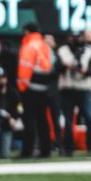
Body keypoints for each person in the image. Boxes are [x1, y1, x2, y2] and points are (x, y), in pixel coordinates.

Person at [56, 29, 91, 156]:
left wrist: (84, 71)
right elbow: (56, 68)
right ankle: (68, 148)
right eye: (72, 37)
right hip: (67, 88)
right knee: (69, 120)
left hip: (84, 88)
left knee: (89, 117)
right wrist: (67, 66)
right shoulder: (62, 50)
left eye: (78, 37)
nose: (75, 40)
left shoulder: (88, 51)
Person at [16, 21, 57, 158]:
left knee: (29, 121)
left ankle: (27, 151)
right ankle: (46, 150)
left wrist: (22, 87)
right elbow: (51, 67)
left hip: (30, 88)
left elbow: (25, 69)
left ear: (27, 31)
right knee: (43, 120)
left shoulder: (28, 46)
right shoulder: (44, 45)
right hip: (44, 88)